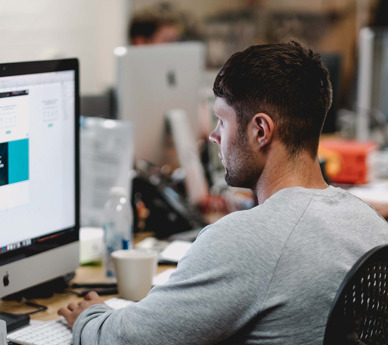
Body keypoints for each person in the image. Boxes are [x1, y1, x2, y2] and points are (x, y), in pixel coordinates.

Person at [58, 41, 388, 344]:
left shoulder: (246, 240)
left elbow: (125, 340)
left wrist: (91, 317)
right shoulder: (370, 224)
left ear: (261, 130)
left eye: (222, 121)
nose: (214, 136)